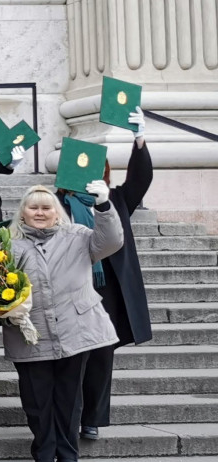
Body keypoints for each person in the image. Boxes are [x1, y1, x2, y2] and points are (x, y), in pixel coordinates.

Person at [0, 185, 122, 462]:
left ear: (56, 212)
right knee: (37, 400)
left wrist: (103, 205)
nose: (40, 213)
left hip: (75, 329)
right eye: (33, 207)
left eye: (46, 208)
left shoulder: (77, 235)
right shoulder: (5, 243)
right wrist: (5, 308)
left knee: (69, 398)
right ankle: (44, 452)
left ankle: (68, 454)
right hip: (29, 333)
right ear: (23, 211)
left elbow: (110, 241)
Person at [65, 115, 152, 439]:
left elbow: (141, 179)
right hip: (72, 286)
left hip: (108, 289)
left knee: (102, 354)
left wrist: (138, 139)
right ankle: (69, 414)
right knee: (74, 356)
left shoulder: (115, 198)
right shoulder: (59, 202)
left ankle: (92, 418)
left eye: (95, 167)